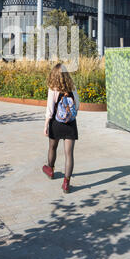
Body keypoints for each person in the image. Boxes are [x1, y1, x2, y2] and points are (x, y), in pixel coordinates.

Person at [43, 63, 80, 193]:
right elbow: (77, 106)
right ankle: (66, 183)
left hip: (56, 123)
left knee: (52, 147)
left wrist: (46, 124)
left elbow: (50, 109)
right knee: (69, 154)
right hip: (70, 124)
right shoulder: (72, 87)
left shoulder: (53, 88)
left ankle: (50, 170)